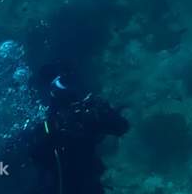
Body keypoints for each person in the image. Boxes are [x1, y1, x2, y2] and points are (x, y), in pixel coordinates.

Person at [19, 66, 129, 194]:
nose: (69, 115)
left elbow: (122, 127)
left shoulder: (87, 117)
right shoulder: (46, 127)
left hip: (88, 186)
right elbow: (34, 156)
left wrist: (103, 111)